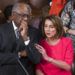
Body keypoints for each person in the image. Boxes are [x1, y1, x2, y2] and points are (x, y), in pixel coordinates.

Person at [0, 2, 41, 75]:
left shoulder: (34, 32)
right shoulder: (2, 30)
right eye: (23, 15)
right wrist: (19, 54)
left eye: (28, 16)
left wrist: (25, 38)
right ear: (13, 15)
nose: (26, 19)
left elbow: (36, 59)